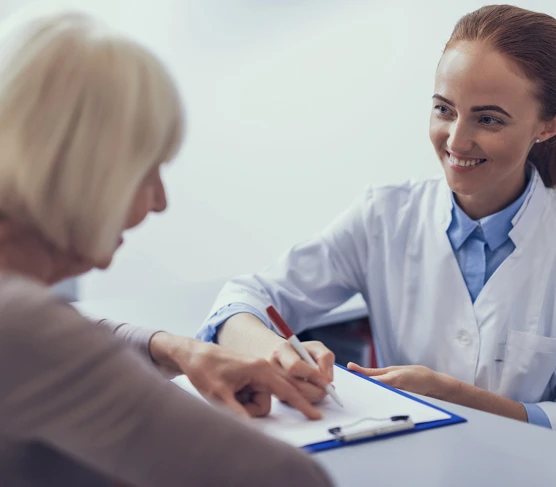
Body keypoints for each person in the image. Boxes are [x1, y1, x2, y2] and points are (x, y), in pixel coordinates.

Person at [198, 4, 556, 446]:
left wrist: (454, 396)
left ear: (550, 125)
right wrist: (279, 355)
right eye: (445, 109)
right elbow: (242, 299)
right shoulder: (384, 217)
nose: (457, 140)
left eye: (488, 119)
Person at [0, 10, 332, 487]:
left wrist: (177, 351)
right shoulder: (23, 327)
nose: (160, 201)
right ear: (82, 171)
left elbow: (66, 329)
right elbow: (290, 479)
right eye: (146, 170)